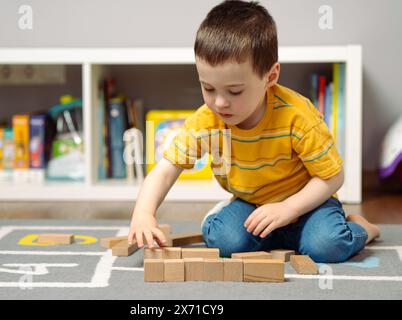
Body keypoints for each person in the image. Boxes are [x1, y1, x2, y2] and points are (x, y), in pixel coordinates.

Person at [128, 0, 380, 263]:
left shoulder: (297, 115)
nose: (219, 102)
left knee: (327, 247)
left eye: (234, 91)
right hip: (254, 204)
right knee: (224, 242)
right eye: (208, 88)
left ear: (270, 77)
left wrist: (288, 208)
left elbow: (333, 178)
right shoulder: (207, 119)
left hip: (309, 204)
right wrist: (143, 213)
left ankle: (362, 227)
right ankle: (246, 224)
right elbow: (166, 169)